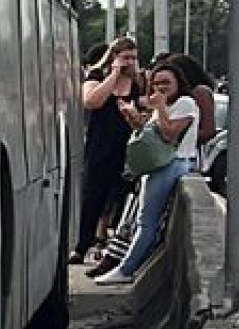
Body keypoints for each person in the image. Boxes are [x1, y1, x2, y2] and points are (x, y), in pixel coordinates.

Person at [101, 54, 200, 284]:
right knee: (143, 221)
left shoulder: (186, 103)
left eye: (166, 82)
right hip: (158, 166)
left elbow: (169, 134)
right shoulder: (161, 105)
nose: (161, 87)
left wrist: (161, 108)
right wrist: (133, 118)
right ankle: (128, 266)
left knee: (147, 223)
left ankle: (126, 269)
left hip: (172, 165)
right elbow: (151, 136)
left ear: (178, 83)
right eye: (156, 83)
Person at [76, 35, 140, 260]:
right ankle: (82, 245)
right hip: (100, 146)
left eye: (133, 58)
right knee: (93, 196)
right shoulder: (96, 76)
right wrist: (113, 74)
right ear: (113, 57)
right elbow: (92, 101)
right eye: (125, 58)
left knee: (119, 198)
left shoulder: (139, 82)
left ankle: (108, 243)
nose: (130, 63)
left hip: (128, 148)